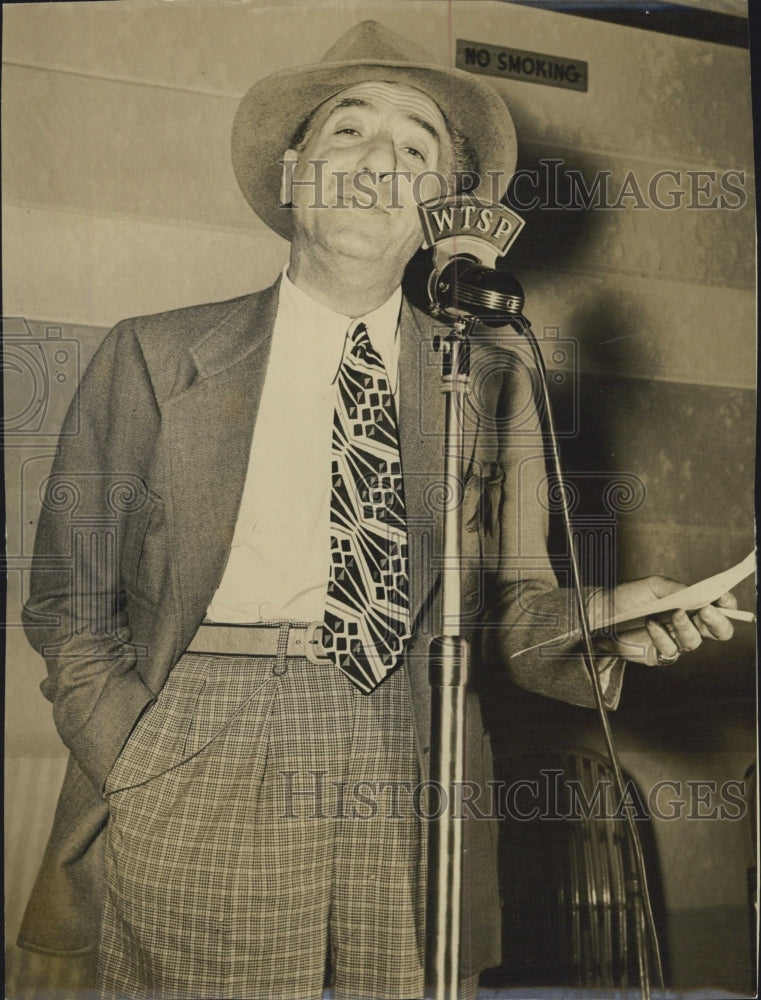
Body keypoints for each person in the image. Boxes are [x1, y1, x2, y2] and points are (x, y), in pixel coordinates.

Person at [19, 20, 737, 1000]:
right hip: (201, 736)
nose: (374, 163)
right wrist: (133, 752)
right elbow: (70, 595)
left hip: (408, 739)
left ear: (442, 209)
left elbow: (513, 607)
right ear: (289, 172)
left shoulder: (484, 381)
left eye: (413, 148)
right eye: (345, 132)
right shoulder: (150, 356)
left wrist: (602, 614)